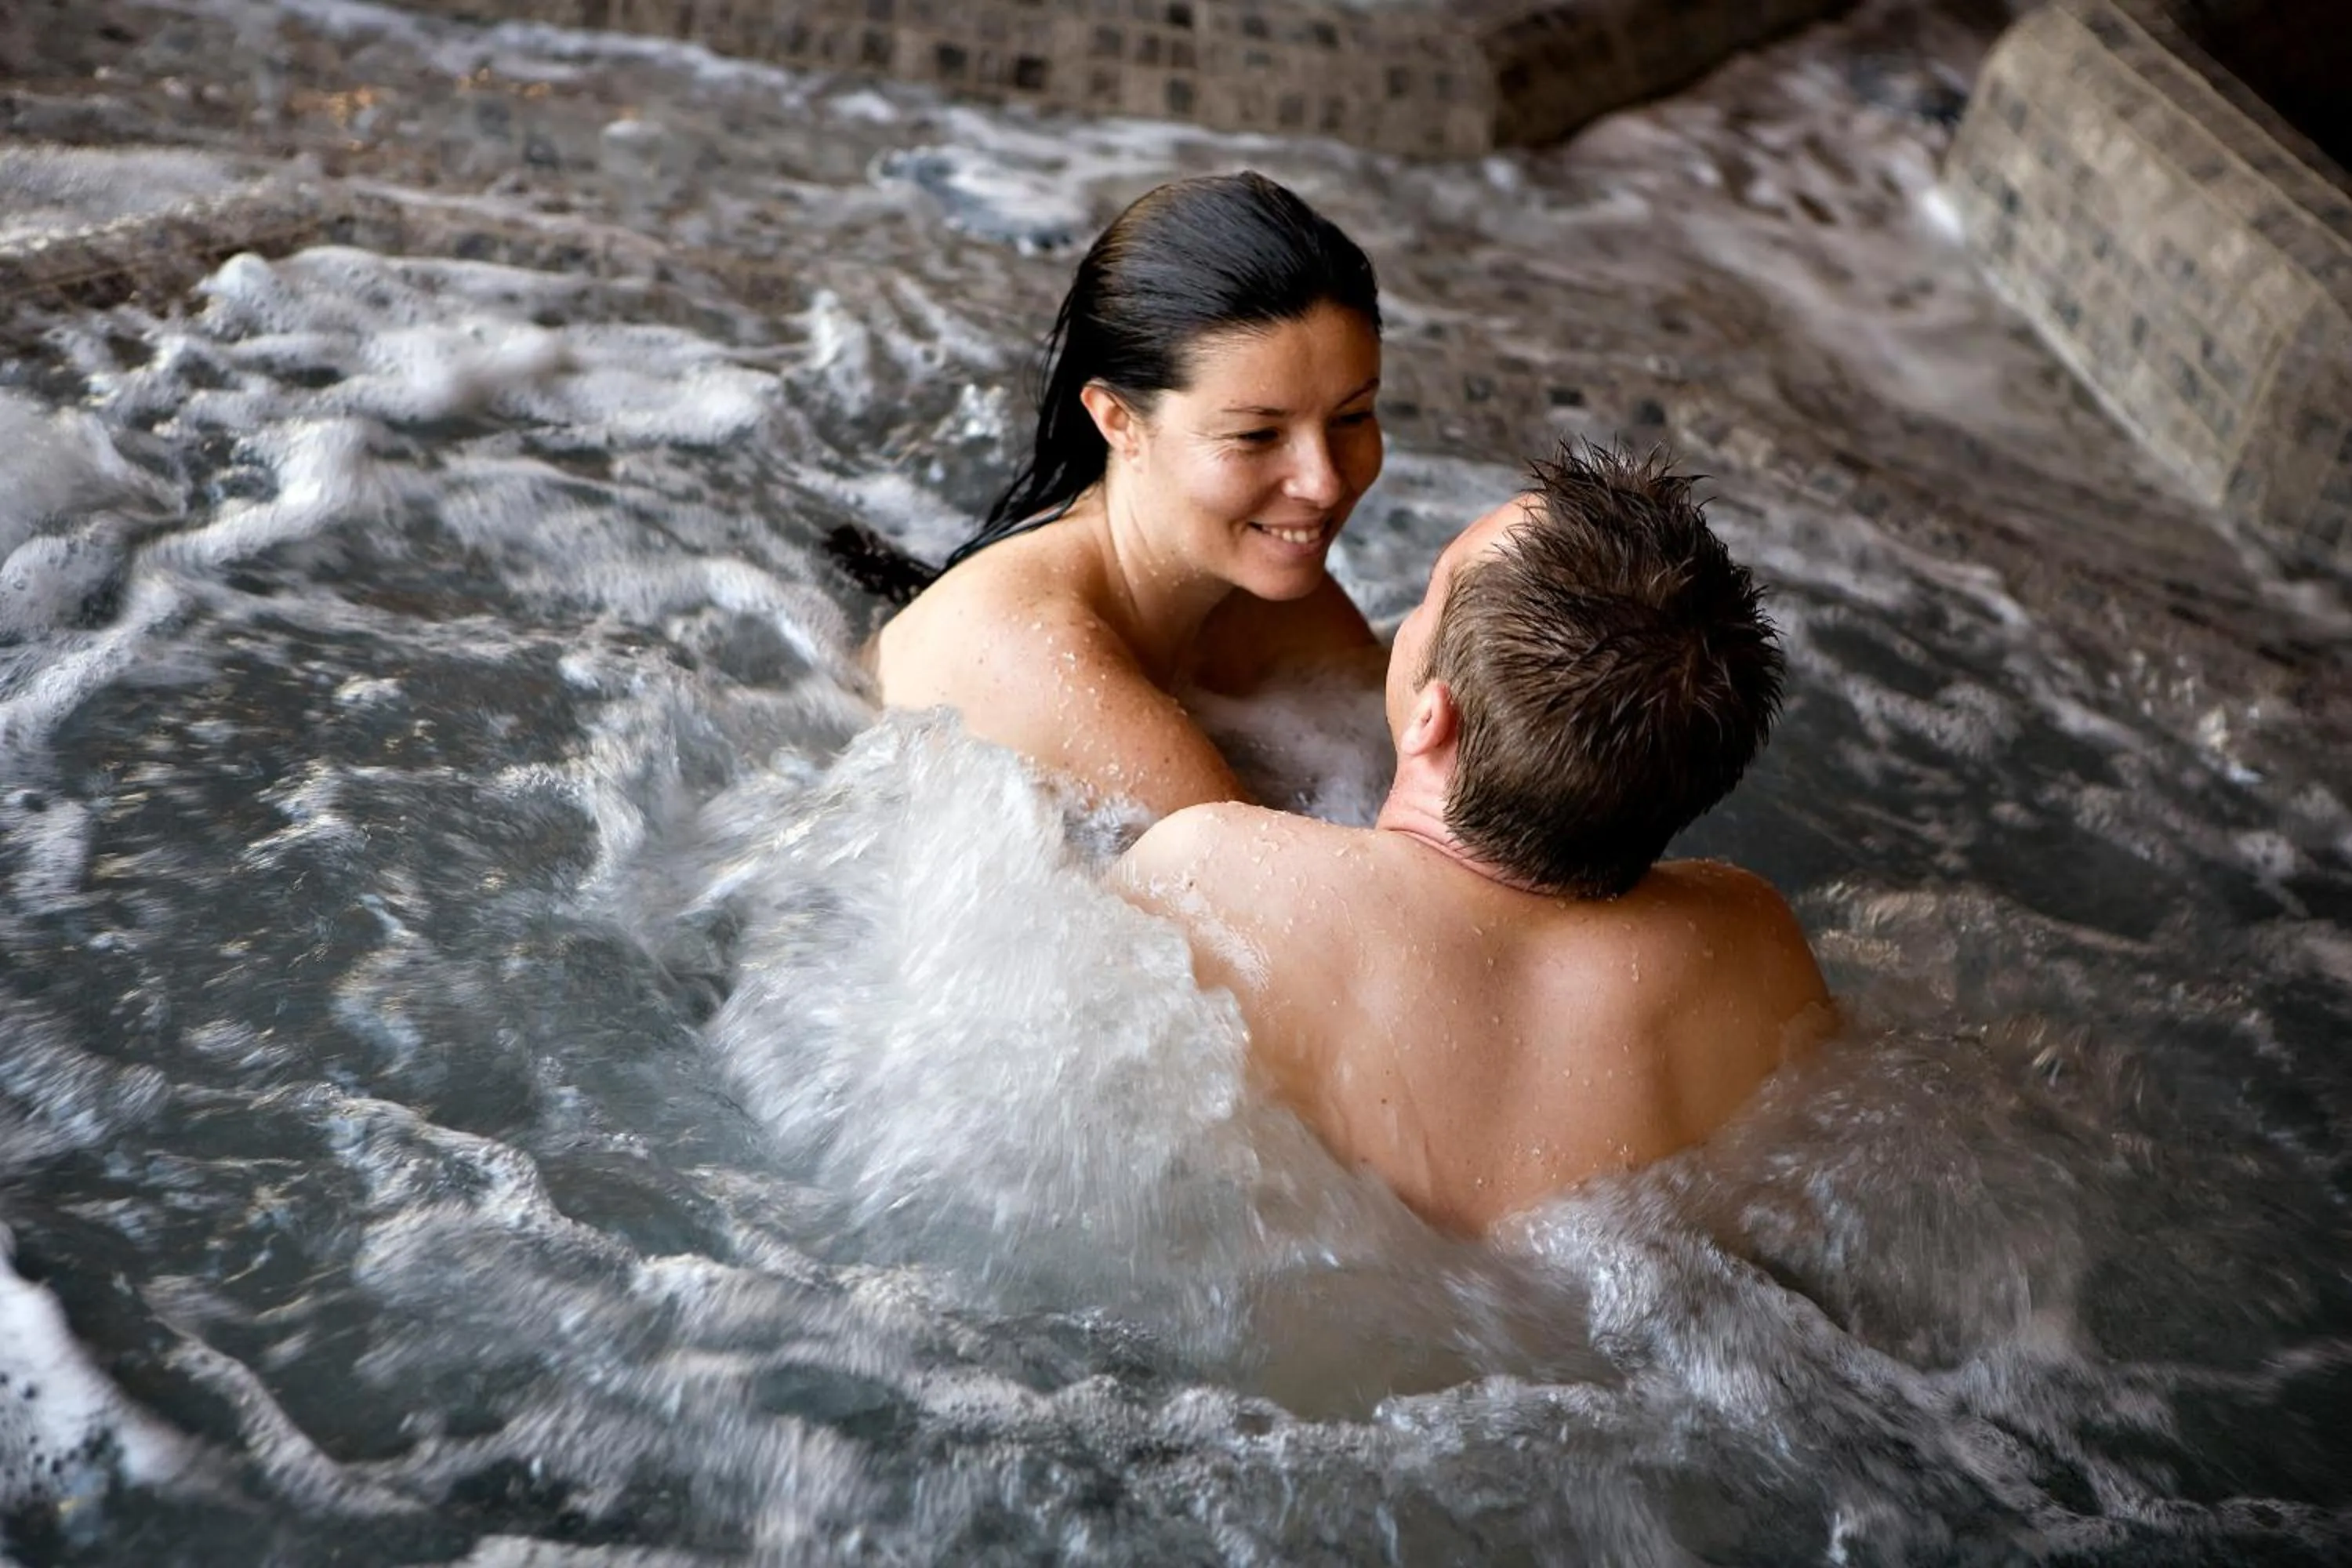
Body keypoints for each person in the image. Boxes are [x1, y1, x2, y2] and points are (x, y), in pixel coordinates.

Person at [1112, 445, 1833, 1235]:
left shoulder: (1212, 873)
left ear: (1432, 717)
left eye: (1427, 599)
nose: (1409, 620)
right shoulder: (1752, 949)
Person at [870, 171, 1386, 818]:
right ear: (1118, 421)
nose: (1324, 482)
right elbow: (1298, 908)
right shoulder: (1039, 658)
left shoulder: (1257, 593)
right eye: (1257, 435)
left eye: (1351, 417)